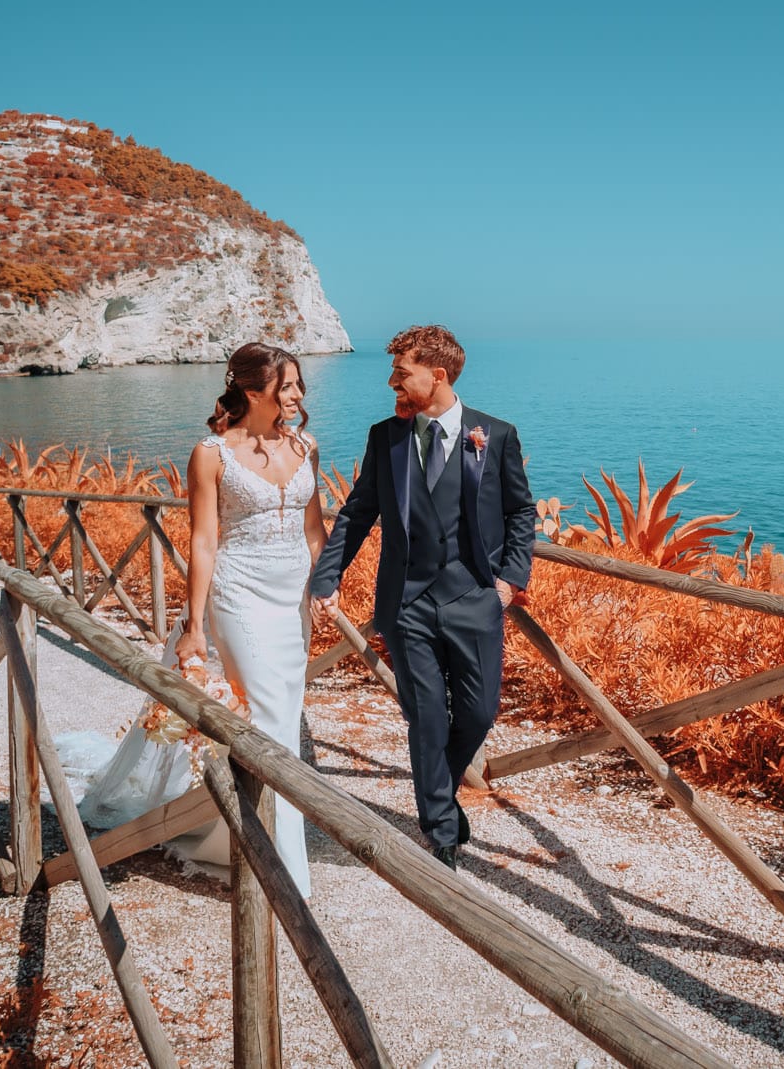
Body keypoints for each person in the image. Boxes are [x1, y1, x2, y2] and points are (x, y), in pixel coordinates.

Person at [59, 342, 324, 896]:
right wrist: (195, 626)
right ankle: (282, 868)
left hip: (291, 598)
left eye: (300, 384)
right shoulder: (211, 454)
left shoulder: (306, 446)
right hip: (239, 593)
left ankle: (228, 823)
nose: (300, 395)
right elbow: (202, 542)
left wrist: (325, 588)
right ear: (255, 392)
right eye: (289, 386)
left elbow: (314, 530)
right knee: (272, 721)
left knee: (284, 710)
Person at [309, 325, 533, 869]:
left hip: (475, 600)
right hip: (406, 605)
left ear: (438, 376)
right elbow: (360, 511)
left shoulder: (495, 435)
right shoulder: (384, 436)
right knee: (427, 717)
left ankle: (441, 799)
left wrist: (510, 581)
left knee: (478, 714)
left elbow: (521, 512)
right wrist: (326, 576)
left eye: (401, 372)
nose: (392, 381)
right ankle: (440, 828)